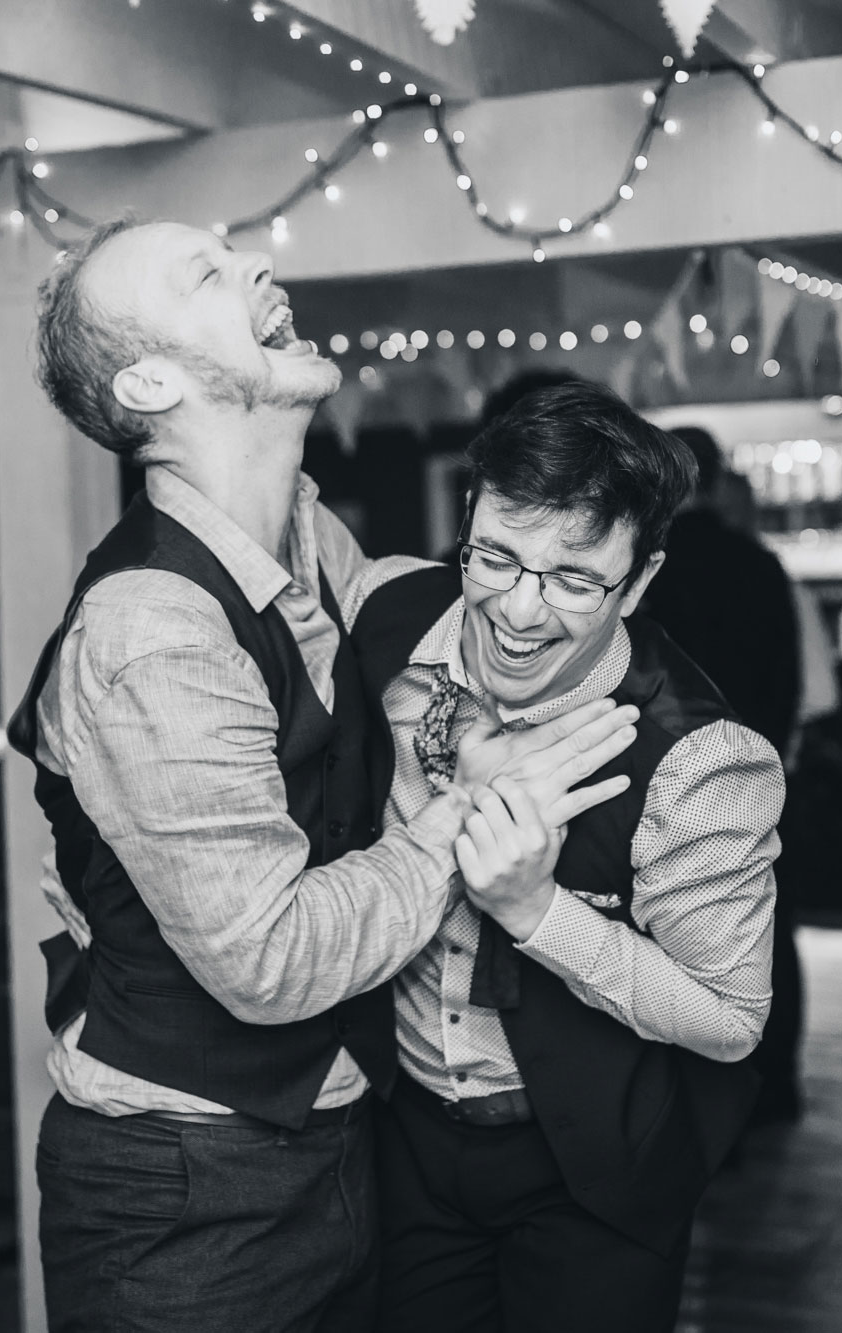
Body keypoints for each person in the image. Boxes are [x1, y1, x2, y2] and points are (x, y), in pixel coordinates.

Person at [7, 218, 640, 1333]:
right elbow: (270, 957)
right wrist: (481, 812)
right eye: (205, 272)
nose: (255, 265)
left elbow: (406, 628)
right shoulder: (153, 627)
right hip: (186, 1195)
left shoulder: (300, 534)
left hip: (333, 1140)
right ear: (149, 381)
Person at [342, 383, 784, 1333]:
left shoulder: (705, 759)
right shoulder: (387, 618)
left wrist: (538, 912)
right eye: (495, 555)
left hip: (590, 1173)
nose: (519, 609)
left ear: (641, 578)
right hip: (405, 1135)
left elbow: (732, 1015)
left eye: (575, 579)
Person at [639, 423, 806, 1125]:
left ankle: (695, 1111)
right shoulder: (757, 562)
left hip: (661, 777)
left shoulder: (644, 565)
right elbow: (787, 679)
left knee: (668, 942)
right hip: (749, 771)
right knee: (767, 928)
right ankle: (774, 1089)